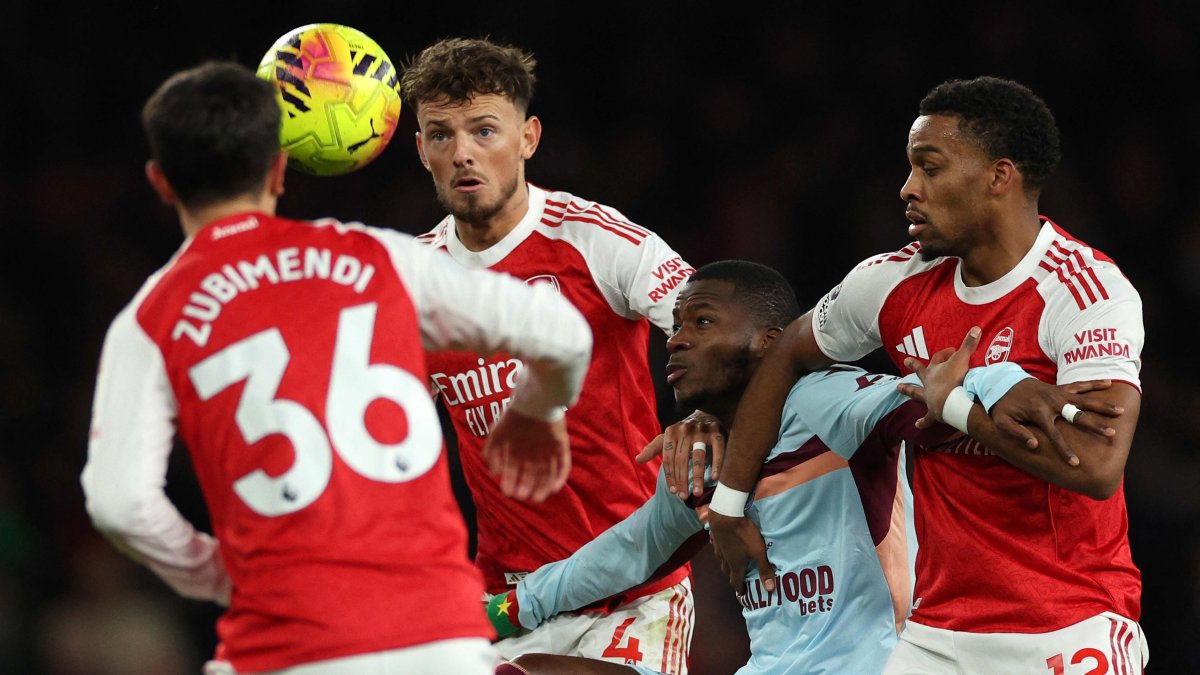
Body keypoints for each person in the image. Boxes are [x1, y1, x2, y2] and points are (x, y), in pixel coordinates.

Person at [81, 60, 594, 675]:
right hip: (442, 643)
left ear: (161, 182)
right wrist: (536, 407)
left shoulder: (149, 319)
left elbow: (118, 504)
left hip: (288, 649)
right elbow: (560, 331)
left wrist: (219, 574)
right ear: (277, 168)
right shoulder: (377, 256)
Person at [696, 76, 1148, 672]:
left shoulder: (1084, 292)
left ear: (999, 176)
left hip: (1066, 625)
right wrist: (729, 503)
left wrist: (955, 406)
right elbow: (784, 356)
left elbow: (1095, 464)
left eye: (929, 168)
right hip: (936, 635)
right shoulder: (895, 283)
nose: (908, 189)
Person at [476, 260, 1119, 675]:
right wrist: (502, 612)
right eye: (674, 325)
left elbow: (923, 393)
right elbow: (621, 554)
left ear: (768, 341)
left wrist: (1003, 382)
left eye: (701, 321)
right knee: (530, 670)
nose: (675, 338)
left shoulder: (823, 403)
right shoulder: (709, 459)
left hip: (880, 666)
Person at [397, 37, 702, 671]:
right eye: (441, 135)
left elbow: (716, 322)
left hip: (632, 593)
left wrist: (708, 412)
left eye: (484, 130)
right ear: (421, 148)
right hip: (504, 601)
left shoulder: (596, 241)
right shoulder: (414, 282)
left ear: (528, 137)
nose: (463, 154)